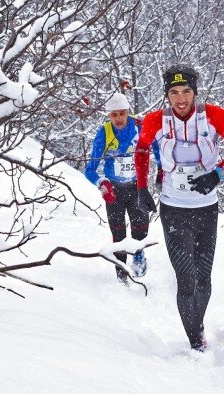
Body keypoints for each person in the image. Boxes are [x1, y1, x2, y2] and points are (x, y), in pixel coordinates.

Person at [134, 65, 224, 351]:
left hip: (206, 208)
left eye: (186, 91)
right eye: (174, 93)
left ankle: (198, 325)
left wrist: (217, 175)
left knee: (203, 277)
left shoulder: (214, 116)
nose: (181, 98)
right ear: (167, 96)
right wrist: (141, 187)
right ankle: (195, 340)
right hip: (173, 208)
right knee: (186, 278)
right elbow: (141, 150)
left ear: (195, 93)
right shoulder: (154, 121)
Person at [85, 93, 162, 285]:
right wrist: (102, 184)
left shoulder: (139, 126)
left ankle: (138, 254)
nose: (118, 119)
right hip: (115, 192)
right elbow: (90, 170)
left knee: (140, 227)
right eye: (114, 115)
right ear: (108, 116)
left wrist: (161, 169)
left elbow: (157, 146)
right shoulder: (104, 133)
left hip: (137, 187)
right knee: (118, 233)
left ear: (128, 112)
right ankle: (121, 271)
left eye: (122, 113)